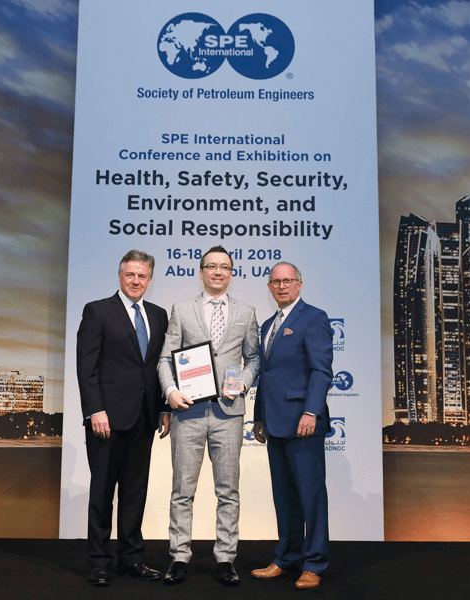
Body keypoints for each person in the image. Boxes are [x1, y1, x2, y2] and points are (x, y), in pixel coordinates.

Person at [157, 245, 260, 586]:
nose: (218, 272)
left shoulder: (246, 311)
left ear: (231, 273)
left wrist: (243, 384)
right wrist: (171, 392)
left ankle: (226, 558)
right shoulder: (182, 309)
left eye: (224, 267)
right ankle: (179, 556)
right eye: (211, 266)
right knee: (181, 491)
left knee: (228, 491)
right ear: (200, 272)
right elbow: (165, 359)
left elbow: (255, 359)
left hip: (229, 415)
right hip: (188, 412)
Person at [76, 250, 169, 587]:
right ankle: (99, 563)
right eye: (130, 274)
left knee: (134, 493)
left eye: (142, 276)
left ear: (149, 279)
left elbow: (161, 367)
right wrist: (94, 410)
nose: (136, 281)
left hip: (144, 420)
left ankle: (130, 559)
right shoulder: (98, 310)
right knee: (102, 494)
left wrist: (164, 409)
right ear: (120, 276)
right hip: (106, 420)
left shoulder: (158, 316)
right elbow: (86, 367)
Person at [251, 261, 334, 590]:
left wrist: (311, 413)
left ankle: (314, 563)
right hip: (274, 424)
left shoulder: (314, 318)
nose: (282, 286)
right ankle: (286, 557)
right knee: (284, 497)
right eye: (276, 282)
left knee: (311, 497)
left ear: (299, 284)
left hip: (304, 424)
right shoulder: (268, 324)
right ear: (270, 287)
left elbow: (322, 371)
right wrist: (259, 416)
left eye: (288, 281)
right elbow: (266, 375)